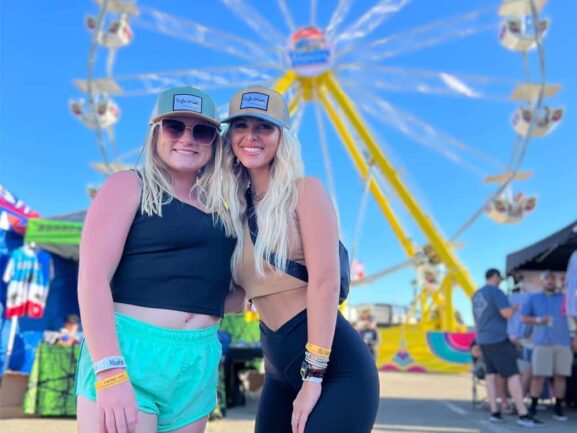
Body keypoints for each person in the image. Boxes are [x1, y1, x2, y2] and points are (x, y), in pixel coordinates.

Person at [75, 86, 243, 433]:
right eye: (174, 126)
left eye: (202, 130)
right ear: (155, 133)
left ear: (215, 142)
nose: (187, 138)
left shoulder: (225, 214)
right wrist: (109, 371)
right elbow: (92, 281)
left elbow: (231, 296)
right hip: (132, 355)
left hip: (197, 361)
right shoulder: (128, 186)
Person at [218, 86, 379, 433]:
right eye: (241, 125)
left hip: (336, 371)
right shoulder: (237, 213)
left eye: (264, 126)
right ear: (229, 136)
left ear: (281, 137)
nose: (251, 136)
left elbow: (324, 282)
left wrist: (314, 376)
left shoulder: (305, 192)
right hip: (277, 371)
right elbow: (238, 298)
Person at [472, 268, 542, 427]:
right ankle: (523, 414)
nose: (501, 281)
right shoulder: (496, 292)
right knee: (513, 375)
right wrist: (515, 309)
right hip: (498, 338)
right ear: (495, 277)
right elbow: (506, 313)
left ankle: (494, 412)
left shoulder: (476, 295)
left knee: (491, 375)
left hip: (483, 339)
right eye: (500, 278)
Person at [522, 270, 573, 421]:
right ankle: (533, 407)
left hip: (563, 342)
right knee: (538, 376)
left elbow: (574, 315)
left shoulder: (564, 298)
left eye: (552, 279)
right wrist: (539, 320)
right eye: (547, 279)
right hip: (542, 342)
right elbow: (524, 318)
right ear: (542, 281)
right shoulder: (533, 298)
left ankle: (558, 408)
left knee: (560, 376)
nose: (550, 281)